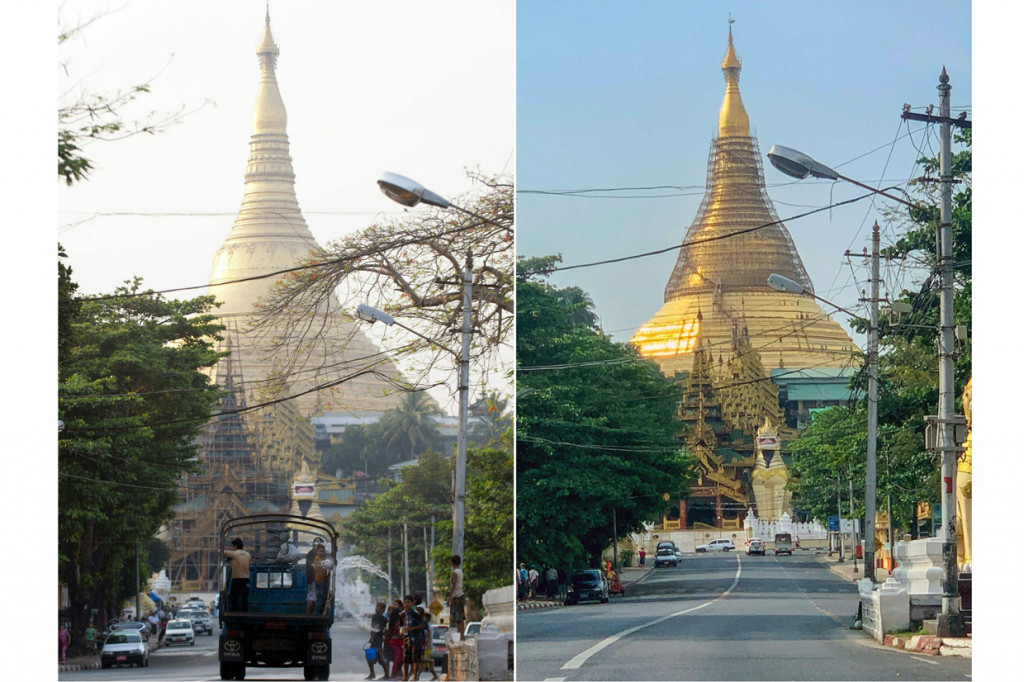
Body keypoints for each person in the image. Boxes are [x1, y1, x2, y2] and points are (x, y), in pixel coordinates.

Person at [400, 595, 426, 681]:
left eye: (409, 602)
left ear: (412, 603)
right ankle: (405, 676)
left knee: (416, 658)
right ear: (403, 603)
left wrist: (412, 628)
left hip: (416, 638)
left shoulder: (416, 614)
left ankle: (415, 676)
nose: (407, 604)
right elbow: (400, 626)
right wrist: (401, 631)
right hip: (406, 639)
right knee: (406, 658)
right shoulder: (402, 614)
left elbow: (422, 625)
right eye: (405, 602)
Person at [224, 537, 252, 612]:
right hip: (246, 580)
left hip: (237, 579)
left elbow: (222, 552)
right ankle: (244, 613)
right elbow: (250, 564)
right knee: (244, 598)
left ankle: (235, 612)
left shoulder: (234, 554)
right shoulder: (248, 554)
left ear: (235, 546)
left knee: (233, 597)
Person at [365, 601, 388, 680]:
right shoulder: (382, 617)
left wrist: (372, 637)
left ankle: (382, 674)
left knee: (377, 656)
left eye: (378, 607)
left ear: (383, 609)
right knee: (374, 656)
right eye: (376, 606)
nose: (376, 608)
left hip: (377, 639)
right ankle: (374, 673)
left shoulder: (377, 616)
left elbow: (376, 627)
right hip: (378, 639)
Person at [449, 555, 466, 638]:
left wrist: (449, 599)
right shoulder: (460, 571)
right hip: (461, 595)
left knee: (459, 618)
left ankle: (461, 636)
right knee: (460, 618)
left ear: (452, 563)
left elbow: (453, 586)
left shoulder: (455, 573)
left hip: (457, 597)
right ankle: (461, 635)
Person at [386, 604, 404, 680]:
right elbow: (399, 633)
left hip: (396, 641)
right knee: (398, 658)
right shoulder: (395, 623)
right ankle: (393, 673)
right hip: (396, 642)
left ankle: (396, 673)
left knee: (400, 658)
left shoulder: (393, 622)